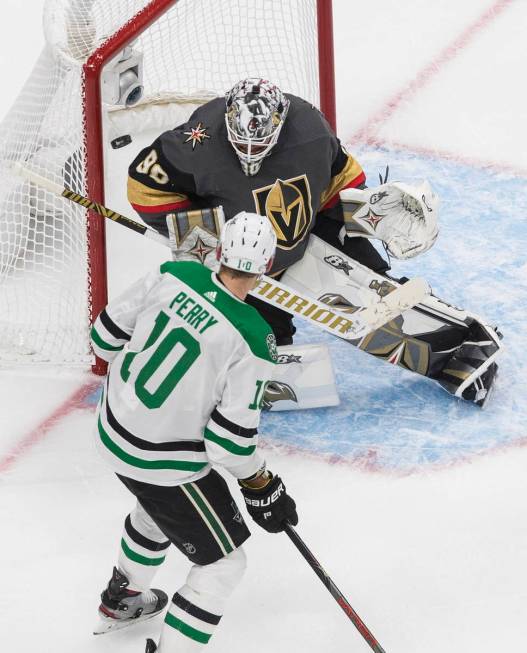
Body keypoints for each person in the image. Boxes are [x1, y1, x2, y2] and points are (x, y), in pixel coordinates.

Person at [126, 77, 500, 406]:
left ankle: (460, 337)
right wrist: (203, 236)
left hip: (310, 227)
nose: (251, 153)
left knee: (377, 290)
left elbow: (342, 175)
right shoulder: (196, 141)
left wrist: (366, 212)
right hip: (245, 254)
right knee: (265, 341)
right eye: (242, 142)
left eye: (261, 143)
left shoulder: (309, 127)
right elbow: (144, 189)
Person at [90, 211, 298, 652]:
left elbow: (104, 340)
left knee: (161, 508)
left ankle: (124, 597)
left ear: (219, 252)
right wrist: (263, 484)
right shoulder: (254, 338)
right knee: (224, 564)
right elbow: (228, 445)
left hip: (112, 428)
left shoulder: (174, 273)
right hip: (161, 461)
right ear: (267, 267)